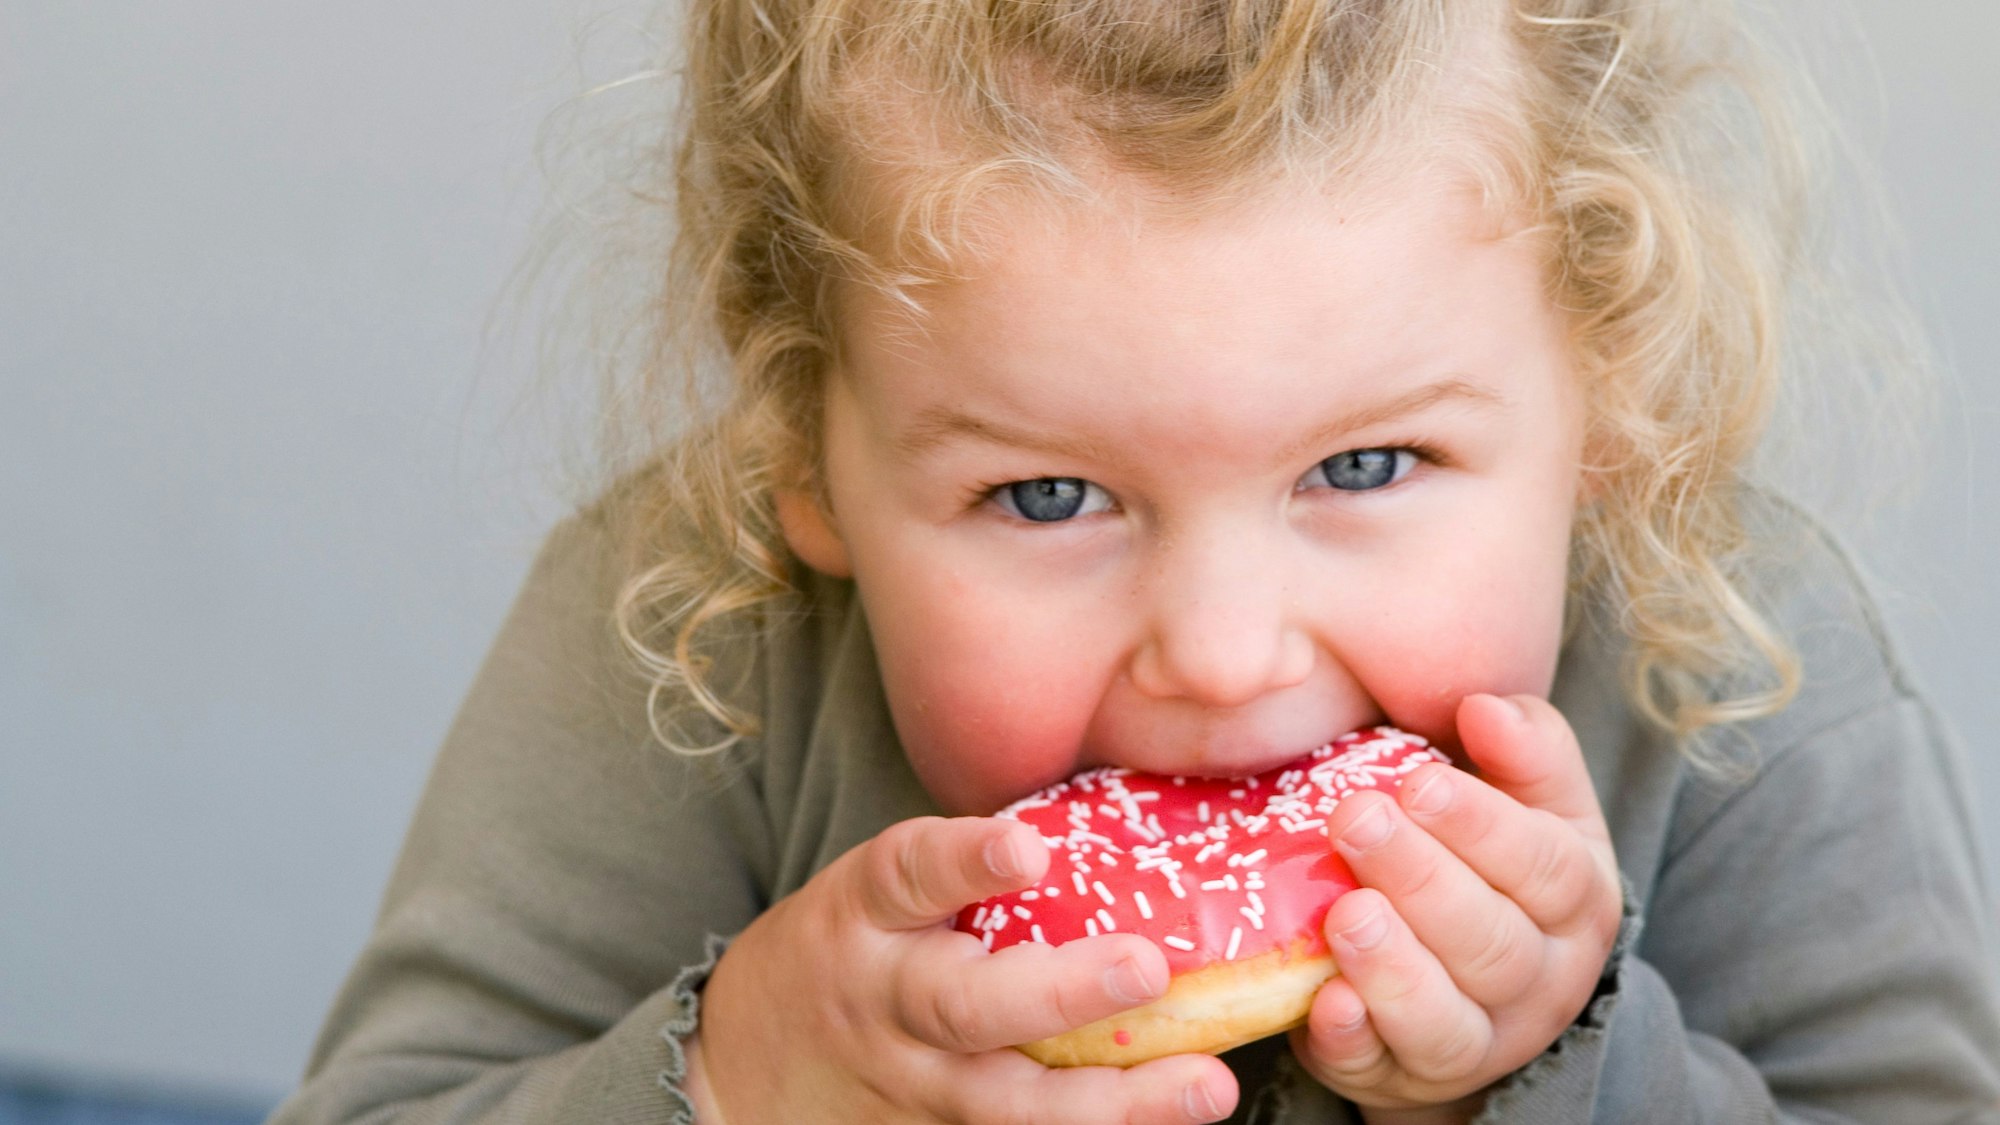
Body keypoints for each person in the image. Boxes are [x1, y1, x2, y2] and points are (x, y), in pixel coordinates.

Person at [268, 1, 2000, 1122]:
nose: (1228, 653)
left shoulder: (1738, 659)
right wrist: (739, 1075)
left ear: (1605, 393)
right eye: (1046, 499)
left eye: (1368, 464)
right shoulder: (696, 632)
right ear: (804, 450)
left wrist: (1557, 1066)